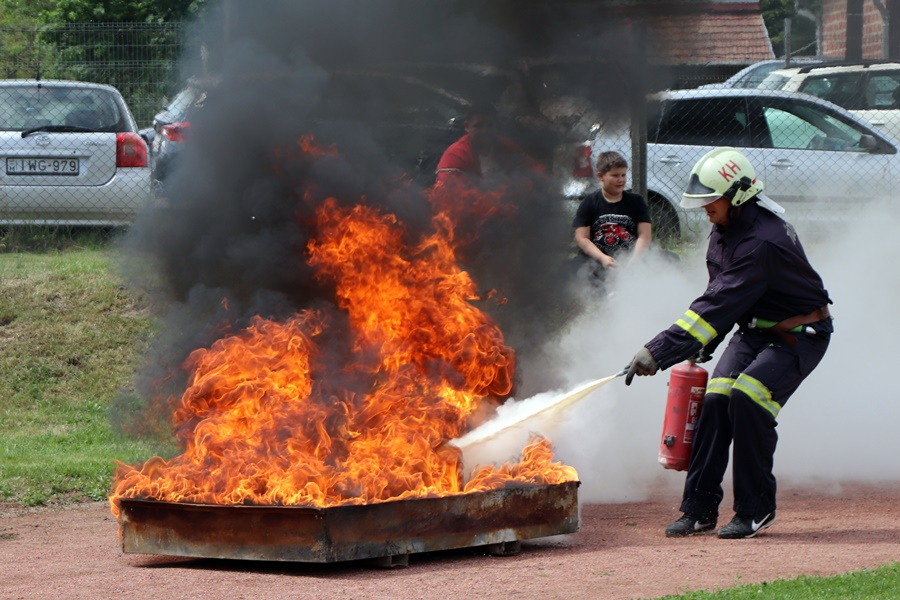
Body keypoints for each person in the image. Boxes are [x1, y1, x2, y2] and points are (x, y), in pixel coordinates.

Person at [624, 147, 833, 539]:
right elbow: (722, 297)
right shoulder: (724, 233)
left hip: (798, 336)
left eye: (710, 200)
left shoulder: (762, 242)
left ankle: (755, 510)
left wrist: (657, 351)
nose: (704, 208)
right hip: (754, 331)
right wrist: (706, 340)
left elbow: (717, 302)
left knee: (748, 400)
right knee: (717, 400)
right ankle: (699, 509)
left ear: (737, 196)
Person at [572, 151, 652, 274]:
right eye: (615, 175)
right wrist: (602, 258)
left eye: (623, 175)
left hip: (630, 257)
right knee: (570, 269)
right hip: (598, 258)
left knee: (670, 259)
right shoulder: (589, 202)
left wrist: (635, 260)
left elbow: (644, 235)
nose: (620, 180)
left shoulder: (637, 201)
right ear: (600, 176)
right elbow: (581, 238)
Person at [435, 104, 544, 183]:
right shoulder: (456, 154)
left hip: (506, 206)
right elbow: (448, 193)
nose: (485, 131)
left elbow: (533, 166)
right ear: (467, 126)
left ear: (497, 126)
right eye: (478, 126)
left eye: (490, 126)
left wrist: (551, 184)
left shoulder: (506, 145)